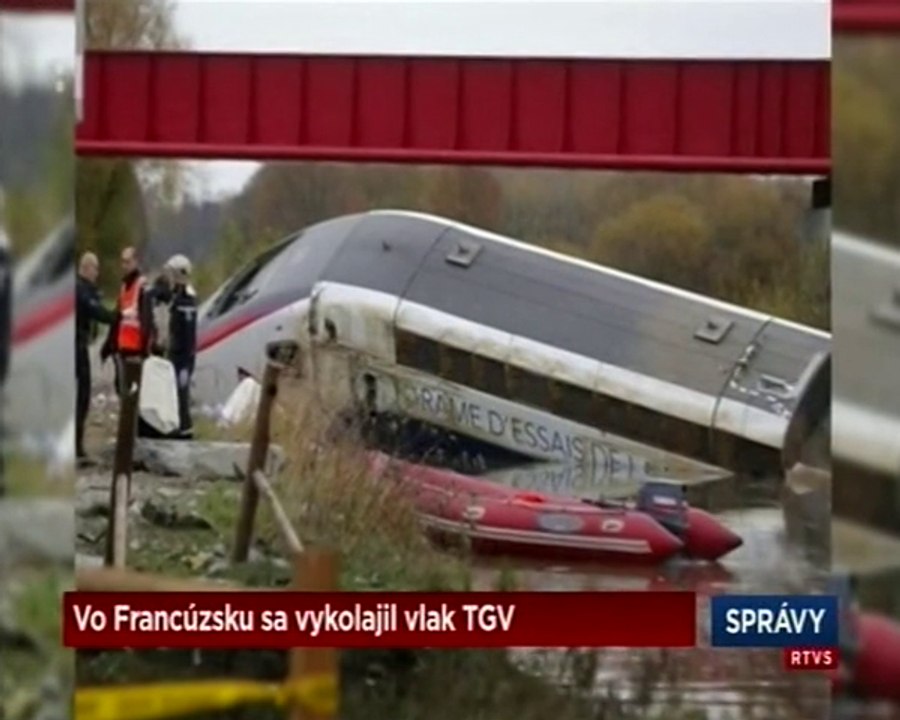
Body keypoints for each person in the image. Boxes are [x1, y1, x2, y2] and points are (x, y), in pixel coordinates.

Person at [101, 246, 155, 402]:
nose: (124, 266)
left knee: (134, 393)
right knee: (122, 389)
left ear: (136, 262)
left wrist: (145, 349)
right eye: (123, 262)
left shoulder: (142, 287)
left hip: (137, 349)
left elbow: (146, 320)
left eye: (128, 262)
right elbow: (117, 318)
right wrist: (108, 345)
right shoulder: (124, 287)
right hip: (123, 347)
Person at [75, 252, 115, 461]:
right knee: (82, 397)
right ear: (86, 268)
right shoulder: (81, 291)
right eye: (95, 268)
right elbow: (98, 312)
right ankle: (77, 448)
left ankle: (77, 446)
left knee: (81, 396)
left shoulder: (84, 289)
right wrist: (119, 315)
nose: (97, 273)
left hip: (78, 345)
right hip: (76, 346)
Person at [164, 254, 197, 439]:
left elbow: (188, 336)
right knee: (173, 393)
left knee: (181, 393)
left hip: (182, 357)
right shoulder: (176, 298)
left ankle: (185, 430)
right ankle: (177, 426)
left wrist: (186, 362)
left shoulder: (186, 301)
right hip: (175, 354)